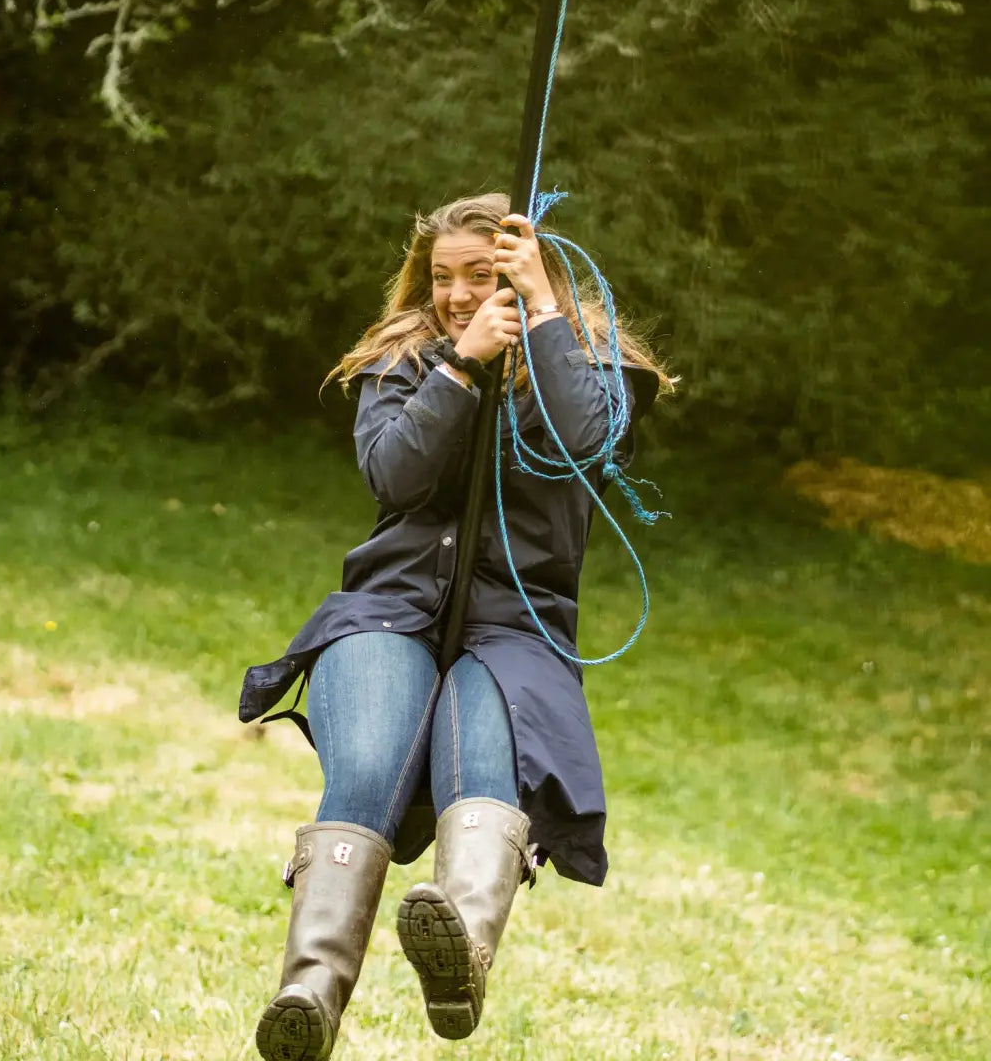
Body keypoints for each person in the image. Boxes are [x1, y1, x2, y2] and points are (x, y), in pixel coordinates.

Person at [239, 192, 674, 1061]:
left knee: (484, 784)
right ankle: (309, 995)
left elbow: (585, 442)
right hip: (388, 612)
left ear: (528, 270)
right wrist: (460, 370)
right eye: (443, 277)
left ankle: (462, 956)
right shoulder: (403, 358)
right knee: (362, 775)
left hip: (515, 631)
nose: (458, 294)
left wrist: (543, 317)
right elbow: (395, 477)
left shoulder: (588, 362)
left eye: (483, 274)